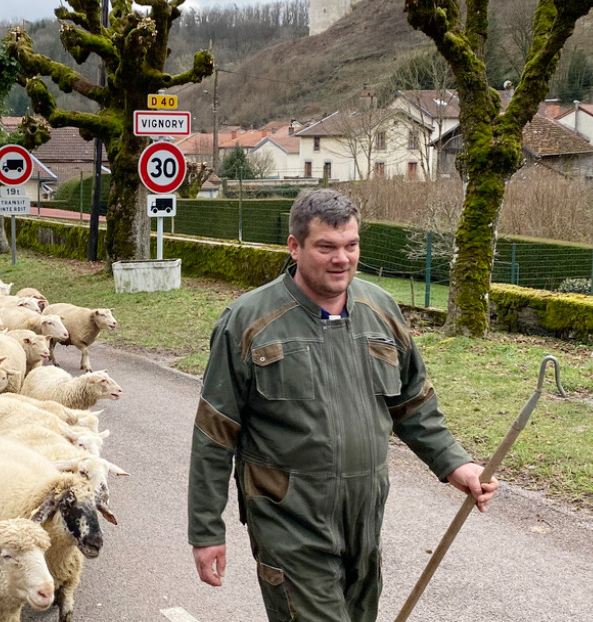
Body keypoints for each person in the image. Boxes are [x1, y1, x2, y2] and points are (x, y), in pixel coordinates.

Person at [187, 189, 498, 622]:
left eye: (351, 245)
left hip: (365, 516)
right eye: (326, 247)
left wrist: (455, 464)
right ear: (294, 247)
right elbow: (214, 433)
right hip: (289, 518)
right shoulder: (247, 321)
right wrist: (206, 531)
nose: (342, 259)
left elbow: (413, 403)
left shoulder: (381, 309)